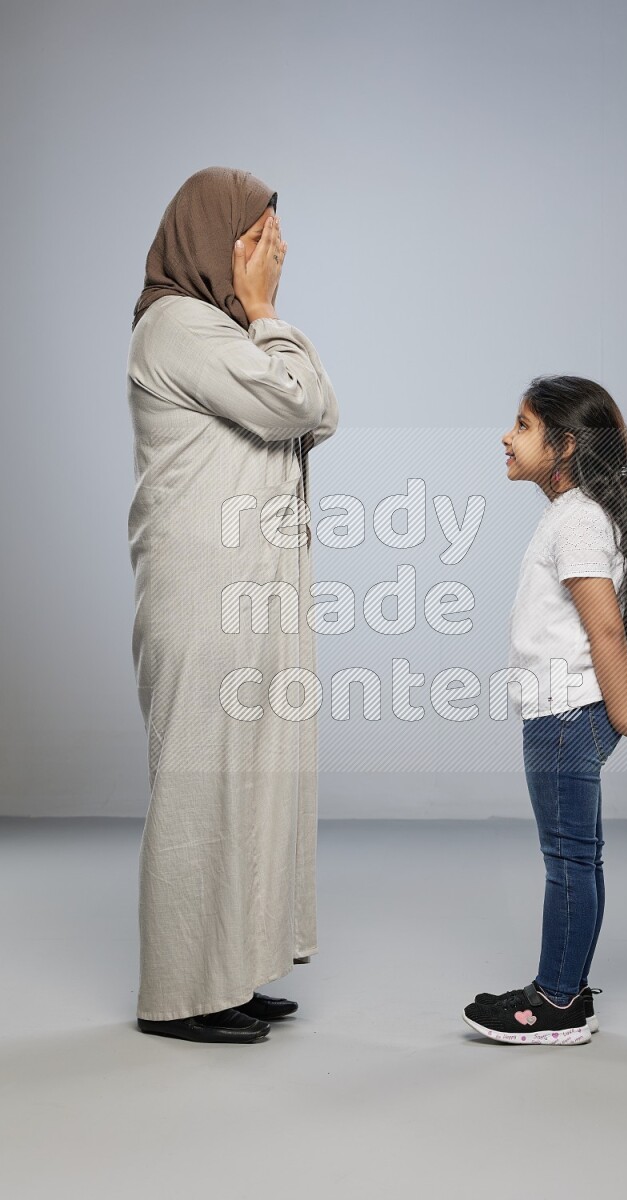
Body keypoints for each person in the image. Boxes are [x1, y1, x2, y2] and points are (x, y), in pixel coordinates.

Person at [127, 166, 339, 1044]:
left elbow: (312, 411)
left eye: (273, 241)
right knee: (199, 790)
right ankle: (177, 995)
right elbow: (304, 404)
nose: (271, 258)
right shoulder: (178, 326)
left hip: (252, 594)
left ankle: (232, 972)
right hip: (204, 594)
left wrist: (258, 319)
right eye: (255, 240)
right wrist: (264, 312)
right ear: (212, 241)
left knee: (255, 782)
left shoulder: (222, 332)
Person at [462, 375, 627, 1046]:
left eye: (523, 426)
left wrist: (621, 715)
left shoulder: (579, 520)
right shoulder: (579, 515)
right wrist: (614, 710)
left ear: (564, 447)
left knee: (569, 860)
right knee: (577, 860)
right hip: (569, 713)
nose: (508, 436)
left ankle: (557, 1003)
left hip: (565, 717)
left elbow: (606, 631)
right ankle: (563, 986)